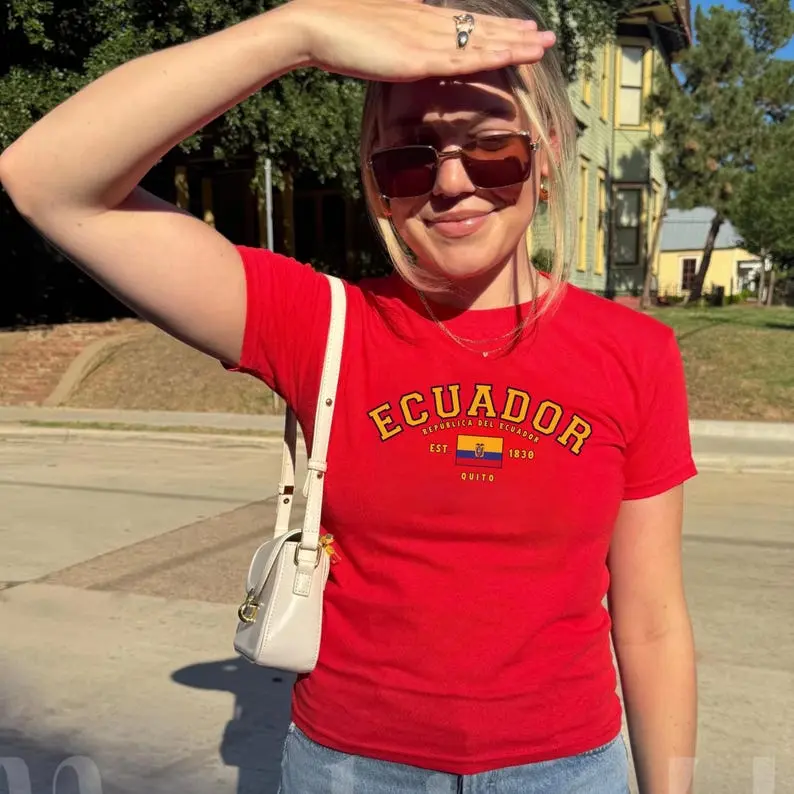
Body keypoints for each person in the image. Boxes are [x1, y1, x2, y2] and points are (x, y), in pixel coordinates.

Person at [0, 0, 699, 791]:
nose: (451, 182)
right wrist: (293, 32)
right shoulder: (319, 323)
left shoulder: (635, 353)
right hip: (353, 769)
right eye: (408, 157)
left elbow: (652, 623)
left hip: (567, 772)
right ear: (375, 177)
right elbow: (46, 180)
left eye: (492, 148)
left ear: (546, 158)